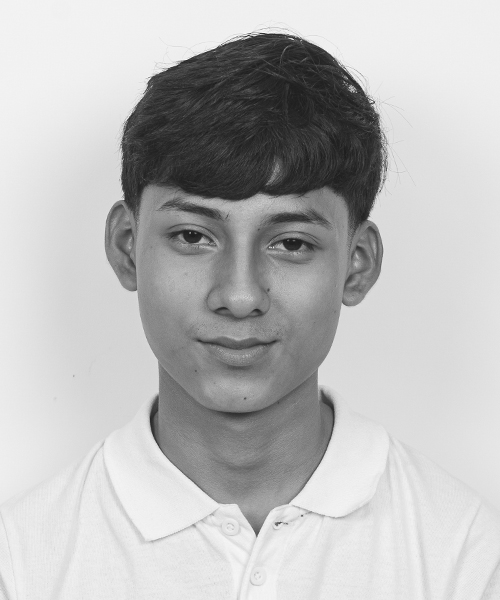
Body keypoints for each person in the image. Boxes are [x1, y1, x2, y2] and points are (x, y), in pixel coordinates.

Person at [1, 31, 499, 600]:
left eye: (291, 244)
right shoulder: (22, 564)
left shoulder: (465, 558)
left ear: (357, 264)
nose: (239, 296)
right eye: (192, 236)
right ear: (126, 247)